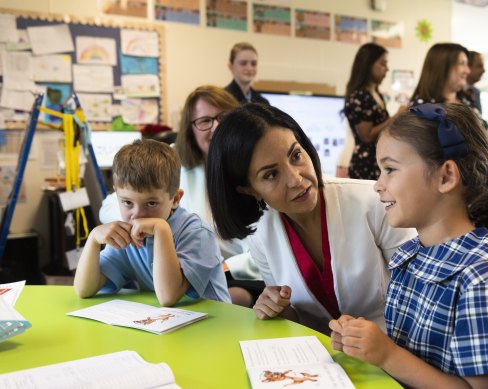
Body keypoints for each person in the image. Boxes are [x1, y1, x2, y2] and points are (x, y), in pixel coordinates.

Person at [329, 103, 488, 389]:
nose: (378, 185)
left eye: (390, 169)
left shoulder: (482, 277)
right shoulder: (410, 256)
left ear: (446, 176)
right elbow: (416, 358)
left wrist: (388, 356)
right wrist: (365, 344)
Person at [206, 103, 416, 334]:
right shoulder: (261, 235)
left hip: (392, 352)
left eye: (296, 155)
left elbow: (418, 299)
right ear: (247, 189)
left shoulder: (374, 202)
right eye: (271, 174)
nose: (296, 179)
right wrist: (277, 308)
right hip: (321, 361)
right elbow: (302, 320)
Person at [99, 85, 264, 307]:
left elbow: (269, 244)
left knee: (233, 297)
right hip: (185, 264)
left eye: (224, 117)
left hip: (242, 271)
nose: (216, 127)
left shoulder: (257, 167)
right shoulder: (174, 160)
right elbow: (109, 205)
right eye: (205, 121)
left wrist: (229, 266)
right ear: (190, 129)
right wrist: (139, 220)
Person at [74, 139, 230, 306]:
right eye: (127, 202)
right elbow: (84, 290)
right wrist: (93, 240)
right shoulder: (127, 237)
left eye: (151, 203)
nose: (138, 215)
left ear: (175, 199)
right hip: (168, 325)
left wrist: (161, 230)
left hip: (215, 324)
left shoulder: (197, 233)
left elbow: (168, 297)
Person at [344, 42, 391, 180]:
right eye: (382, 64)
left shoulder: (376, 94)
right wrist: (396, 117)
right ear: (368, 64)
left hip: (379, 159)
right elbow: (367, 136)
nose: (387, 69)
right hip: (366, 165)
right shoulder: (359, 96)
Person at [410, 43, 476, 112]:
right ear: (441, 67)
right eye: (462, 63)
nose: (468, 71)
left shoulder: (468, 100)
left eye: (467, 64)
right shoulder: (420, 111)